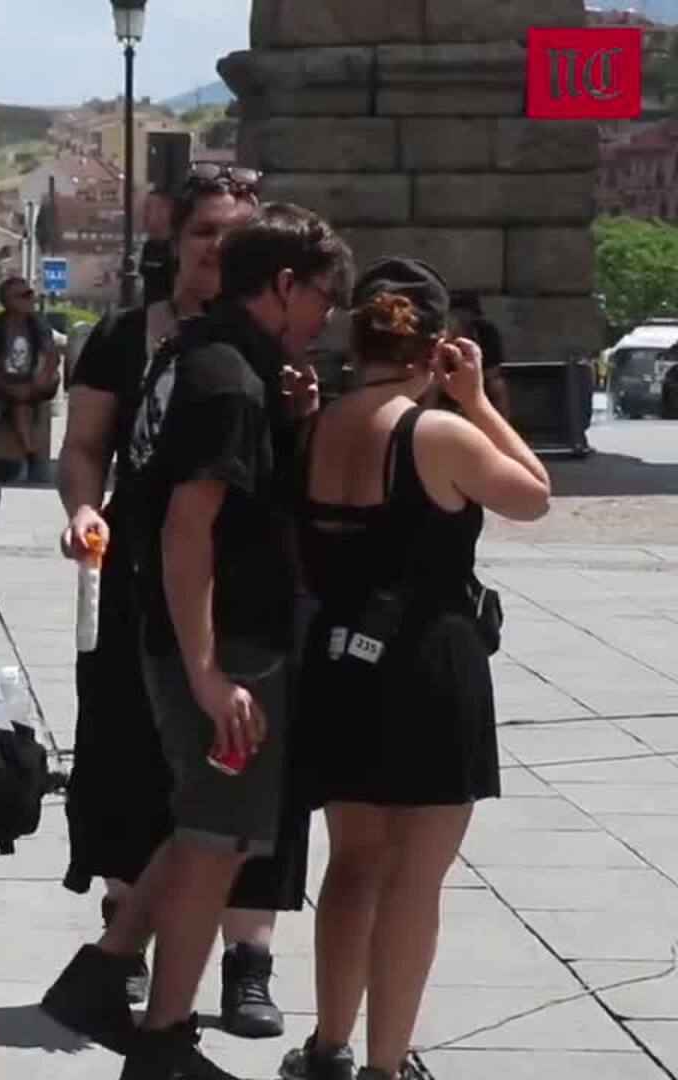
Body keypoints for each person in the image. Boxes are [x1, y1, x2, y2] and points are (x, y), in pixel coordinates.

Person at [53, 203, 351, 1080]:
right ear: (284, 286)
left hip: (187, 628)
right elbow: (192, 528)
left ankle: (105, 976)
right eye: (323, 296)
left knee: (202, 829)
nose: (329, 315)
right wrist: (209, 672)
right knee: (217, 838)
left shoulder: (193, 353)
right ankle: (163, 1040)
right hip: (224, 639)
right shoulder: (226, 377)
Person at [279, 260, 549, 1080]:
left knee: (353, 860)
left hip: (343, 663)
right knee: (416, 878)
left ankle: (328, 1045)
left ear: (356, 339)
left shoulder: (317, 428)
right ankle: (387, 1065)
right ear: (436, 347)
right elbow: (534, 494)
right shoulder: (437, 432)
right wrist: (473, 402)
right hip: (431, 660)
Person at [0, 276, 63, 483]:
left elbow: (52, 356)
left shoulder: (37, 323)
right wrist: (8, 387)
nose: (31, 299)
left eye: (31, 293)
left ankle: (28, 460)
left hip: (32, 383)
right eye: (24, 295)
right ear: (8, 301)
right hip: (3, 385)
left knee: (40, 388)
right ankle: (31, 458)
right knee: (19, 404)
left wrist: (38, 382)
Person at [445, 291, 510, 418]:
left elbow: (493, 369)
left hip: (479, 376)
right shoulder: (442, 331)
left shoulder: (485, 331)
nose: (464, 318)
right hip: (444, 376)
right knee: (433, 385)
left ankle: (505, 423)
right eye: (457, 315)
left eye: (467, 314)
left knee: (497, 385)